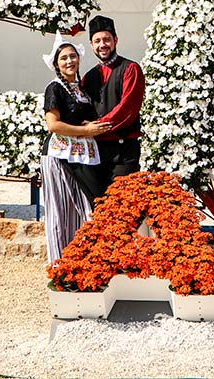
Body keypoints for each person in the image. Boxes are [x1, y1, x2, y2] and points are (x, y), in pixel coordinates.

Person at [40, 36, 111, 262]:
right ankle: (61, 261)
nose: (69, 61)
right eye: (63, 58)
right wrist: (87, 131)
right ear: (56, 64)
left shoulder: (79, 89)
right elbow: (53, 125)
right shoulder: (55, 88)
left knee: (85, 204)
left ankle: (84, 258)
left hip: (82, 154)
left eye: (72, 56)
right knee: (62, 209)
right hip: (61, 155)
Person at [81, 15, 145, 191]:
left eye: (107, 39)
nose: (103, 44)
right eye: (97, 41)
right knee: (99, 205)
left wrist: (97, 126)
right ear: (91, 45)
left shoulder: (131, 69)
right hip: (96, 152)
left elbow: (128, 109)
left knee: (122, 205)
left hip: (123, 151)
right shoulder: (88, 77)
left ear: (115, 40)